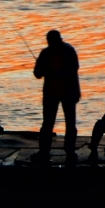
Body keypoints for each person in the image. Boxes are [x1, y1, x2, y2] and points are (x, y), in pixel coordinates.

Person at [33, 29, 80, 164]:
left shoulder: (69, 51)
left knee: (70, 124)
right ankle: (44, 151)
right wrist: (39, 72)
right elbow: (36, 71)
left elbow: (73, 69)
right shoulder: (45, 53)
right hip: (50, 94)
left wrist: (54, 73)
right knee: (47, 123)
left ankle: (70, 151)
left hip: (68, 93)